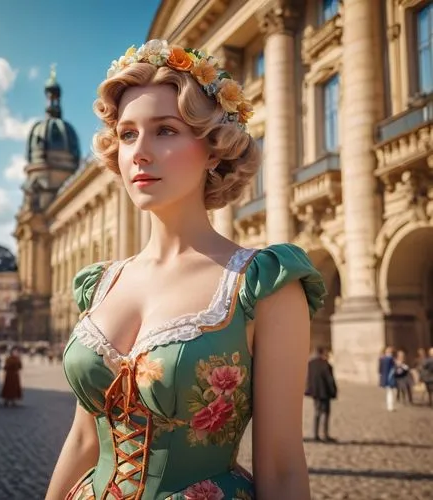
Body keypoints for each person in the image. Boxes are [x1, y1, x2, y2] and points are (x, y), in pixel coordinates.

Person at [45, 39, 327, 500]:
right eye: (129, 134)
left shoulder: (264, 284)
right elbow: (82, 439)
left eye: (166, 131)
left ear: (213, 149)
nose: (139, 151)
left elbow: (280, 465)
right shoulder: (100, 285)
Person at [305, 347, 338, 442]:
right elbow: (330, 380)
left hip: (315, 392)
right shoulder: (326, 365)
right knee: (325, 413)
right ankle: (325, 434)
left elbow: (309, 378)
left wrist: (309, 390)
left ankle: (315, 434)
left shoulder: (310, 364)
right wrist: (333, 392)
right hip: (325, 393)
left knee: (317, 413)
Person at [379, 346, 396, 411]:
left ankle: (389, 406)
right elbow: (393, 367)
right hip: (389, 376)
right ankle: (390, 406)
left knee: (389, 392)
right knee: (390, 392)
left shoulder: (382, 358)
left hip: (386, 376)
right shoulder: (390, 358)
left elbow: (380, 370)